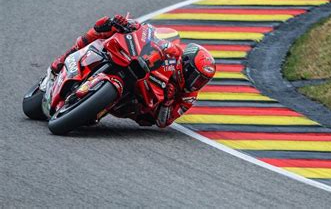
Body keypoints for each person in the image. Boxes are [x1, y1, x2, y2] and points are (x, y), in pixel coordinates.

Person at [50, 15, 216, 128]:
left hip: (139, 106)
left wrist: (168, 101)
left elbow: (163, 122)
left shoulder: (189, 97)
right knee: (108, 25)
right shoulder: (174, 52)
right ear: (185, 65)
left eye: (202, 81)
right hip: (136, 68)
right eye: (196, 77)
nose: (196, 84)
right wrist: (131, 25)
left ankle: (93, 106)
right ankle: (65, 57)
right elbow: (153, 34)